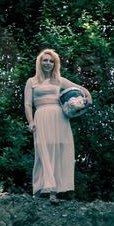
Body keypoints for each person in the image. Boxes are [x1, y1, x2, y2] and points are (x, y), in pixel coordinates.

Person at [23, 48, 91, 203]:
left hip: (59, 117)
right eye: (45, 60)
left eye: (51, 61)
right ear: (40, 62)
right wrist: (31, 122)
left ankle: (53, 191)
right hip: (41, 116)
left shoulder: (59, 80)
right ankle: (40, 189)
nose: (48, 63)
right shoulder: (32, 82)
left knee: (58, 150)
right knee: (43, 152)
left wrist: (88, 97)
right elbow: (27, 104)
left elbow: (80, 89)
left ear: (55, 64)